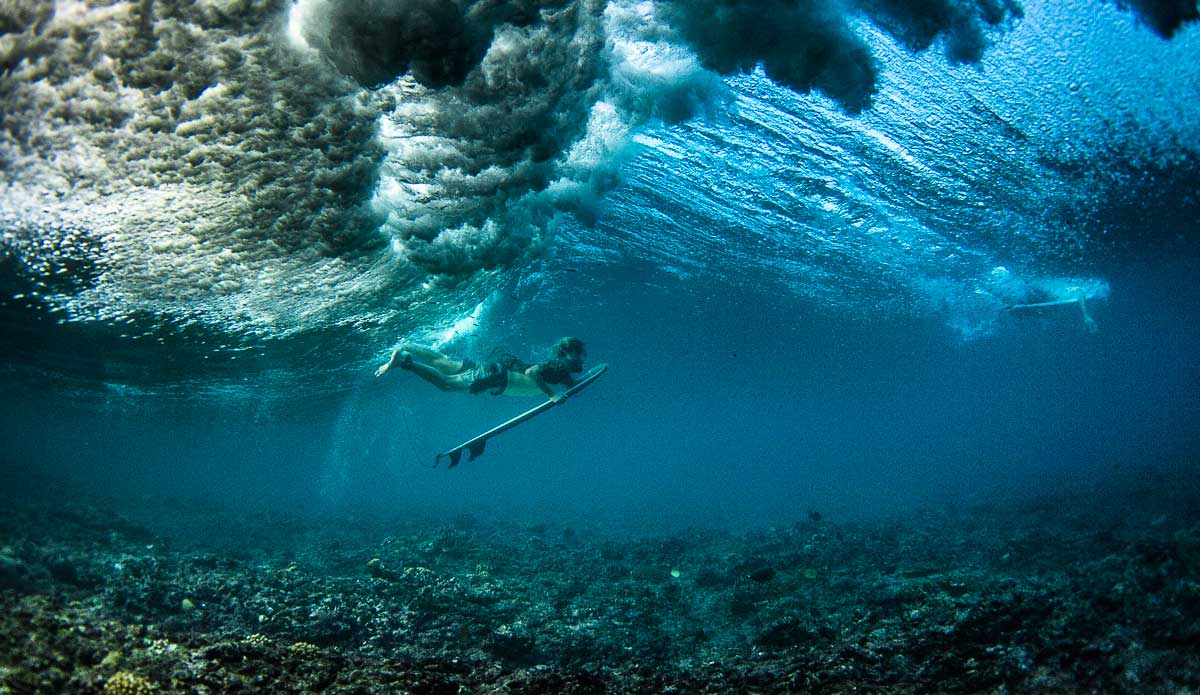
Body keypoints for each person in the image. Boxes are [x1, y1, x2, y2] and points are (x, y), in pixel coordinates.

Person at [375, 337, 587, 401]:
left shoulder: (562, 372)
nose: (583, 359)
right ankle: (405, 361)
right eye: (580, 355)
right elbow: (532, 373)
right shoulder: (559, 367)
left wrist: (575, 384)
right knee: (446, 385)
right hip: (495, 378)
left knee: (444, 363)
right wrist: (552, 396)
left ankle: (406, 345)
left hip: (493, 371)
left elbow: (570, 383)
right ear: (570, 353)